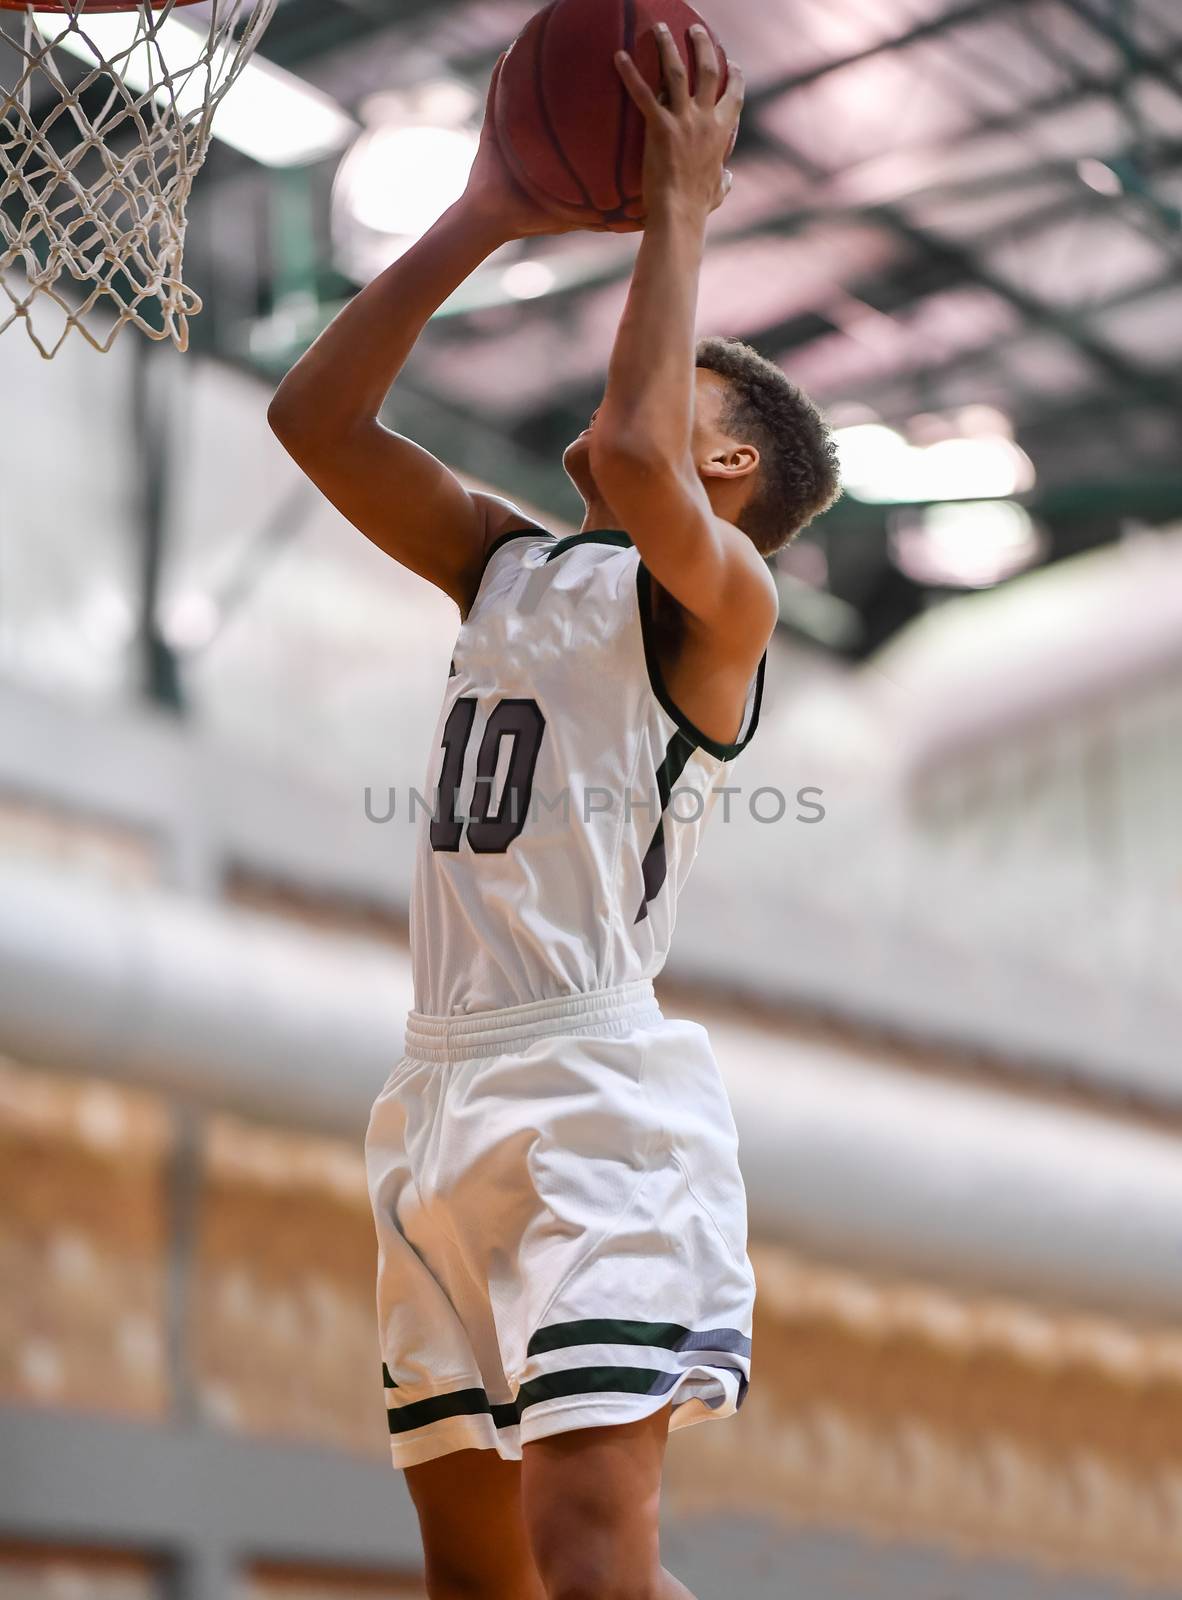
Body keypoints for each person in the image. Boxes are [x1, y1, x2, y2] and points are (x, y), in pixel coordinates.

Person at [269, 23, 840, 1600]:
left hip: (595, 1103)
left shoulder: (719, 605)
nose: (618, 380)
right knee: (482, 1583)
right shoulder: (509, 559)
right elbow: (314, 423)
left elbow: (642, 447)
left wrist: (682, 204)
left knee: (591, 1566)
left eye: (670, 381)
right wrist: (480, 214)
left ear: (731, 461)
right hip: (437, 1092)